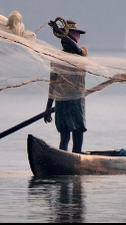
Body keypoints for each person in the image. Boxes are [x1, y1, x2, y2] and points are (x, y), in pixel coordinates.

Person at [44, 18, 88, 153]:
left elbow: (77, 50)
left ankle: (77, 157)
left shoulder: (82, 52)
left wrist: (61, 32)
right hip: (61, 100)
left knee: (78, 132)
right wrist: (48, 107)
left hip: (76, 99)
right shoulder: (57, 58)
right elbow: (53, 83)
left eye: (67, 36)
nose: (64, 40)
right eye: (62, 37)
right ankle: (63, 156)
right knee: (64, 135)